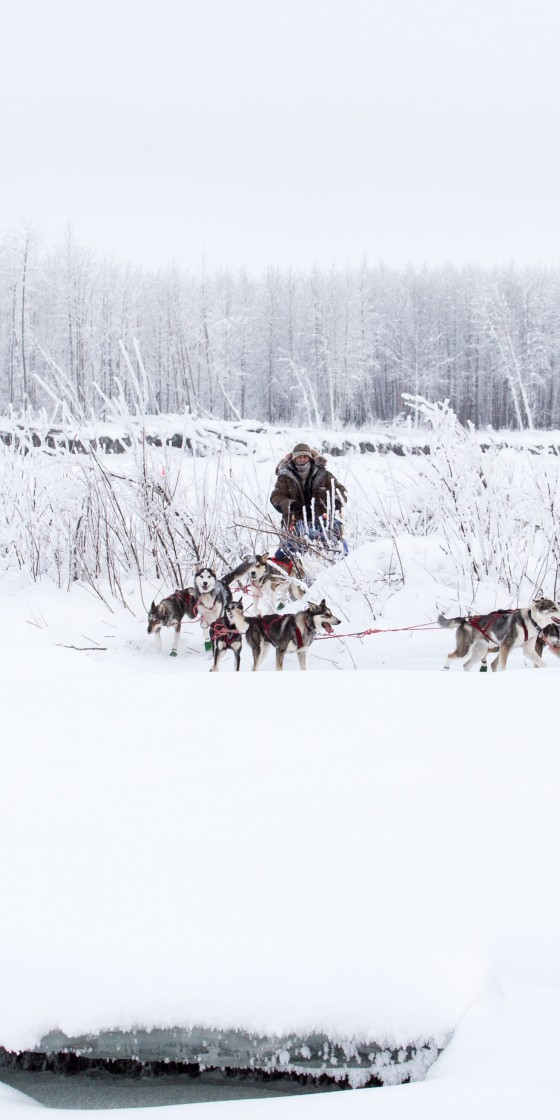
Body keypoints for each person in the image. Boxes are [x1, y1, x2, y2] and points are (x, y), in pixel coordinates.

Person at [270, 443, 347, 553]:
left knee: (332, 550)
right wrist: (291, 504)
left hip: (322, 521)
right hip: (295, 522)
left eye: (305, 456)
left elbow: (341, 490)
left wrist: (337, 501)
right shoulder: (284, 477)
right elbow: (276, 497)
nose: (302, 460)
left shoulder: (324, 474)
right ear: (294, 459)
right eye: (299, 457)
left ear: (310, 458)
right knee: (289, 553)